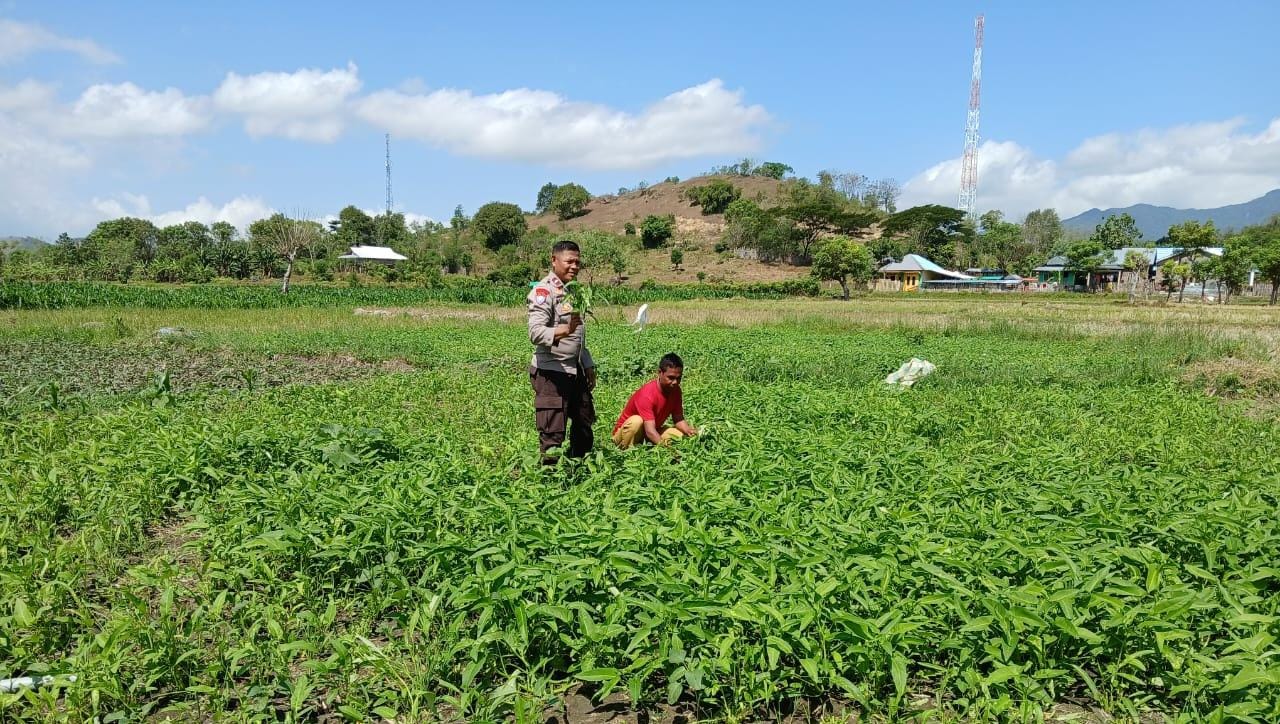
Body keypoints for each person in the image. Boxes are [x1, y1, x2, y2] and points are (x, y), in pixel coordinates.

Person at [527, 240, 597, 465]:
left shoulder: (573, 291)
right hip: (551, 371)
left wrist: (587, 363)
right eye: (569, 261)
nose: (574, 266)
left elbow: (578, 335)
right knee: (553, 432)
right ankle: (550, 479)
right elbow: (535, 333)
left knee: (584, 423)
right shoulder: (544, 291)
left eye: (577, 262)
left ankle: (580, 471)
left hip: (574, 369)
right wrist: (564, 330)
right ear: (554, 260)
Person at [612, 353, 697, 449]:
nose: (675, 382)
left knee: (679, 436)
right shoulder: (647, 394)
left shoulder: (676, 391)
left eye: (678, 378)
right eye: (671, 378)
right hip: (625, 434)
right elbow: (650, 431)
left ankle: (645, 446)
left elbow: (678, 418)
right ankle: (625, 450)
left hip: (650, 431)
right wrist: (667, 449)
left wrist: (689, 431)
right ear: (660, 372)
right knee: (636, 421)